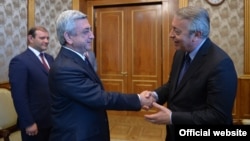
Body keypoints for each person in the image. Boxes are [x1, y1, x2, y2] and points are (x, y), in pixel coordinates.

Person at [48, 10, 155, 141]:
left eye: (91, 30)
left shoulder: (78, 59)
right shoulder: (65, 68)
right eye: (86, 31)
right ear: (69, 37)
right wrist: (138, 99)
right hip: (76, 135)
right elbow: (99, 98)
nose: (92, 36)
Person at [144, 6, 237, 141]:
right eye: (172, 28)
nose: (170, 34)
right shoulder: (180, 53)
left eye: (177, 31)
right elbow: (173, 86)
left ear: (197, 35)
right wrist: (155, 96)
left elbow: (217, 116)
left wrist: (172, 118)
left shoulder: (221, 64)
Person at [9, 26, 54, 141]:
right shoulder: (20, 61)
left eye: (48, 38)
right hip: (35, 122)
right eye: (42, 38)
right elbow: (19, 96)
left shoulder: (50, 59)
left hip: (52, 119)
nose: (46, 41)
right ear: (31, 38)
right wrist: (28, 122)